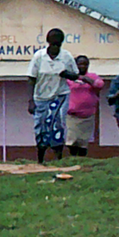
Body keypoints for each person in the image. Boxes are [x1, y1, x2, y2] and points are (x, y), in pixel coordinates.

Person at [27, 28, 81, 163]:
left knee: (58, 125)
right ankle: (40, 158)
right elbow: (31, 78)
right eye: (53, 44)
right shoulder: (39, 57)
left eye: (58, 44)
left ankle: (58, 157)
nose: (55, 47)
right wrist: (31, 100)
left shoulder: (66, 56)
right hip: (41, 97)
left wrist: (66, 74)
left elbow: (75, 75)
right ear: (48, 42)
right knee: (41, 125)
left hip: (60, 96)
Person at [65, 55, 106, 157]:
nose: (82, 66)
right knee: (72, 140)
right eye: (80, 64)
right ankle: (73, 158)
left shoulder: (92, 76)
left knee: (83, 141)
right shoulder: (69, 79)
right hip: (73, 115)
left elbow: (99, 85)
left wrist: (84, 78)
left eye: (85, 64)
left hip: (87, 116)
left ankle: (82, 159)